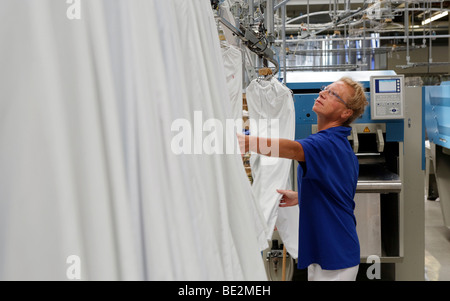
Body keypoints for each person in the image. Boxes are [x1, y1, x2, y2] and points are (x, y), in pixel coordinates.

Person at [238, 77, 368, 281]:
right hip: (327, 250)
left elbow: (292, 149)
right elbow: (337, 190)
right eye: (325, 89)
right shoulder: (337, 144)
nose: (323, 93)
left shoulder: (326, 143)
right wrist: (302, 196)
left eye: (334, 94)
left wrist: (248, 143)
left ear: (346, 113)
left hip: (335, 254)